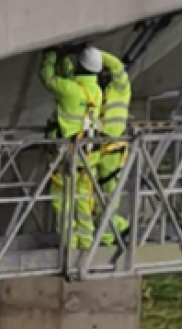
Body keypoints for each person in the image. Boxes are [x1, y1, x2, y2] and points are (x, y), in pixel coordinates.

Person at [39, 46, 104, 250]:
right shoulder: (96, 92)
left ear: (79, 65)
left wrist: (50, 56)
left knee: (62, 201)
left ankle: (69, 245)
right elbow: (72, 81)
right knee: (84, 201)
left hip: (66, 157)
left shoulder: (70, 91)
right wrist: (64, 59)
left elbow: (47, 78)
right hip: (88, 157)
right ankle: (86, 243)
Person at [95, 50, 132, 246]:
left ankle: (107, 236)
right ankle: (119, 226)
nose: (103, 76)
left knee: (109, 195)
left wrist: (95, 53)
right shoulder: (98, 90)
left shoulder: (120, 88)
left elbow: (117, 66)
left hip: (112, 149)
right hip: (95, 150)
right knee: (93, 196)